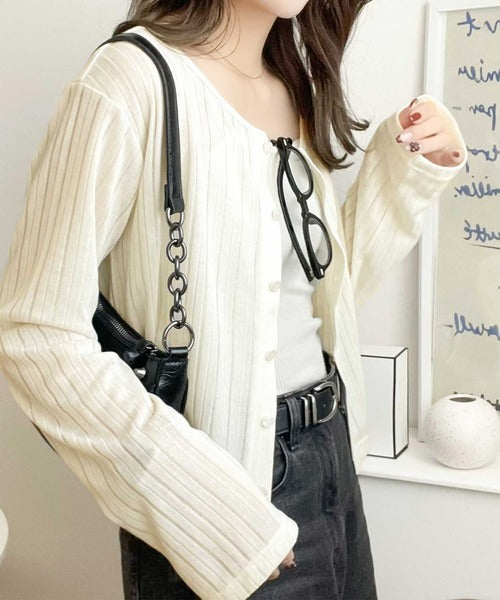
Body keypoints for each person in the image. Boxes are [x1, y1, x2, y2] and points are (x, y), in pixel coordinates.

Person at [0, 1, 467, 599]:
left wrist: (405, 169)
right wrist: (211, 514)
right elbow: (37, 334)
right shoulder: (131, 80)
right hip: (230, 491)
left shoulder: (292, 86)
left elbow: (316, 301)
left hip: (332, 455)